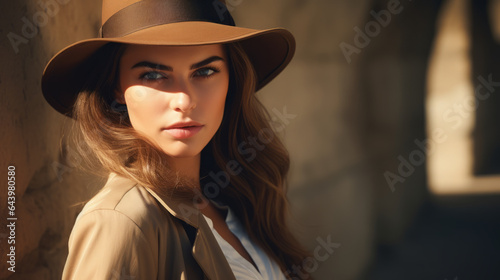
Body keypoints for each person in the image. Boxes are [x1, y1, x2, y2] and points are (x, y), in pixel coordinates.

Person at [41, 0, 310, 279]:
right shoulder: (120, 221)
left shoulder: (236, 197)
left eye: (205, 72)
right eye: (154, 75)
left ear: (232, 78)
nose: (185, 100)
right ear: (116, 87)